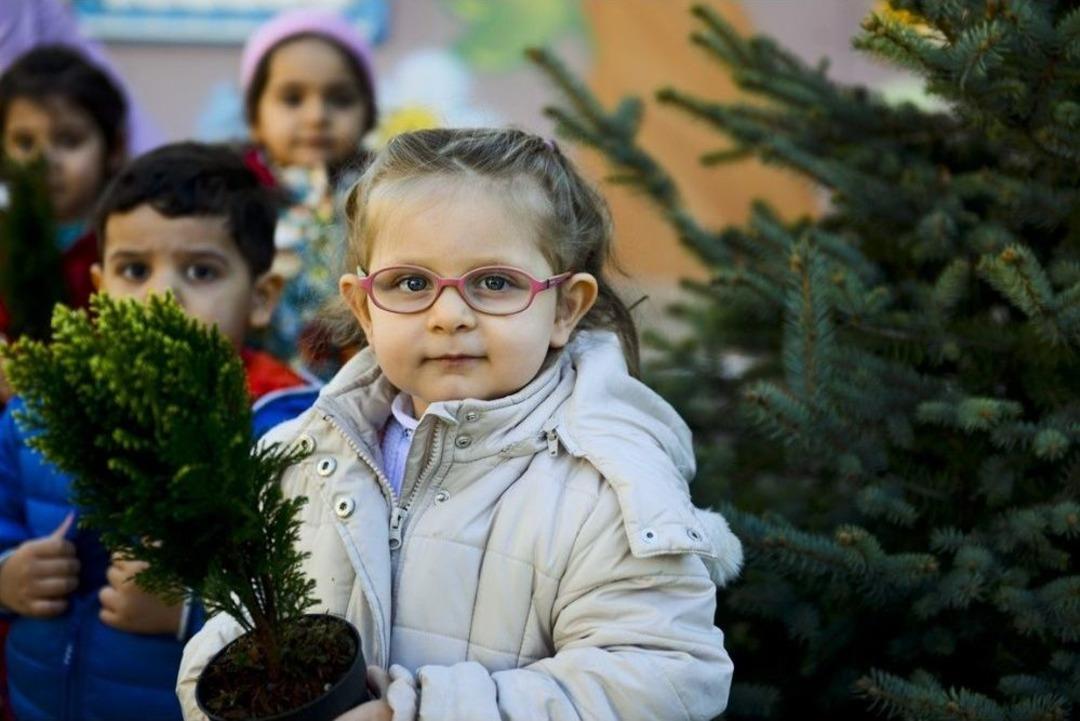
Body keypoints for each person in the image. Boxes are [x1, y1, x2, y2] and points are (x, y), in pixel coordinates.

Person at [179, 128, 741, 721]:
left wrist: (422, 713)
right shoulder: (302, 456)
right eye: (412, 283)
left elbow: (663, 678)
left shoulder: (607, 487)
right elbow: (227, 642)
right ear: (365, 308)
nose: (450, 316)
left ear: (565, 308)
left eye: (495, 283)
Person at [0, 142, 319, 721]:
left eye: (201, 271)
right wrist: (5, 577)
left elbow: (315, 598)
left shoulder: (286, 427)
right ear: (98, 287)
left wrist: (188, 611)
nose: (161, 294)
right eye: (134, 269)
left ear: (262, 297)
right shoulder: (39, 412)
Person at [240, 8, 379, 377]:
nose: (317, 115)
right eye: (292, 98)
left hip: (365, 391)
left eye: (340, 99)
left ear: (368, 115)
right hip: (258, 394)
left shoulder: (385, 198)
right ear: (255, 117)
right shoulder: (231, 199)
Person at [0, 45, 129, 380]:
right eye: (25, 143)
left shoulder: (126, 245)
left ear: (114, 147)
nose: (46, 163)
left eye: (69, 141)